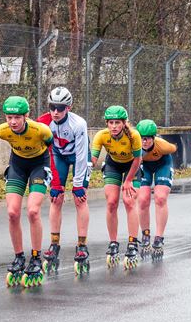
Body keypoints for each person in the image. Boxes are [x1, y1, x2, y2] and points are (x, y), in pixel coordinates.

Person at [0, 95, 53, 288]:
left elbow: (51, 146)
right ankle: (19, 256)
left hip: (39, 164)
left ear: (26, 116)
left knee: (33, 211)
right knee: (12, 213)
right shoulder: (2, 131)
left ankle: (36, 257)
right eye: (9, 117)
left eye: (17, 117)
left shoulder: (41, 130)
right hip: (18, 165)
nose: (13, 122)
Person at [37, 87, 91, 275]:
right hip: (58, 156)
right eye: (52, 107)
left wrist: (78, 184)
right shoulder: (43, 123)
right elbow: (46, 152)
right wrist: (55, 184)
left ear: (69, 107)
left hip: (78, 155)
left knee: (80, 199)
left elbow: (82, 155)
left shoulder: (79, 124)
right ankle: (54, 244)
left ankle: (82, 245)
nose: (55, 112)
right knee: (56, 198)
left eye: (60, 108)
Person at [90, 105, 142, 269]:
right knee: (111, 202)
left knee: (129, 201)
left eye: (117, 123)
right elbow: (93, 160)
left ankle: (132, 243)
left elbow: (138, 159)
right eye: (110, 122)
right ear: (106, 123)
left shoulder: (134, 135)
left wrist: (128, 180)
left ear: (124, 123)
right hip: (113, 165)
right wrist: (86, 169)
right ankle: (113, 243)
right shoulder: (101, 135)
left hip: (132, 166)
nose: (113, 126)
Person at [136, 119, 175, 258]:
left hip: (162, 164)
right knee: (143, 199)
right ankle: (145, 234)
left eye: (147, 138)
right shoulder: (134, 145)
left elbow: (174, 148)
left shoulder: (162, 145)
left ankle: (159, 237)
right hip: (145, 166)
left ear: (153, 138)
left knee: (160, 198)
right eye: (141, 138)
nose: (144, 141)